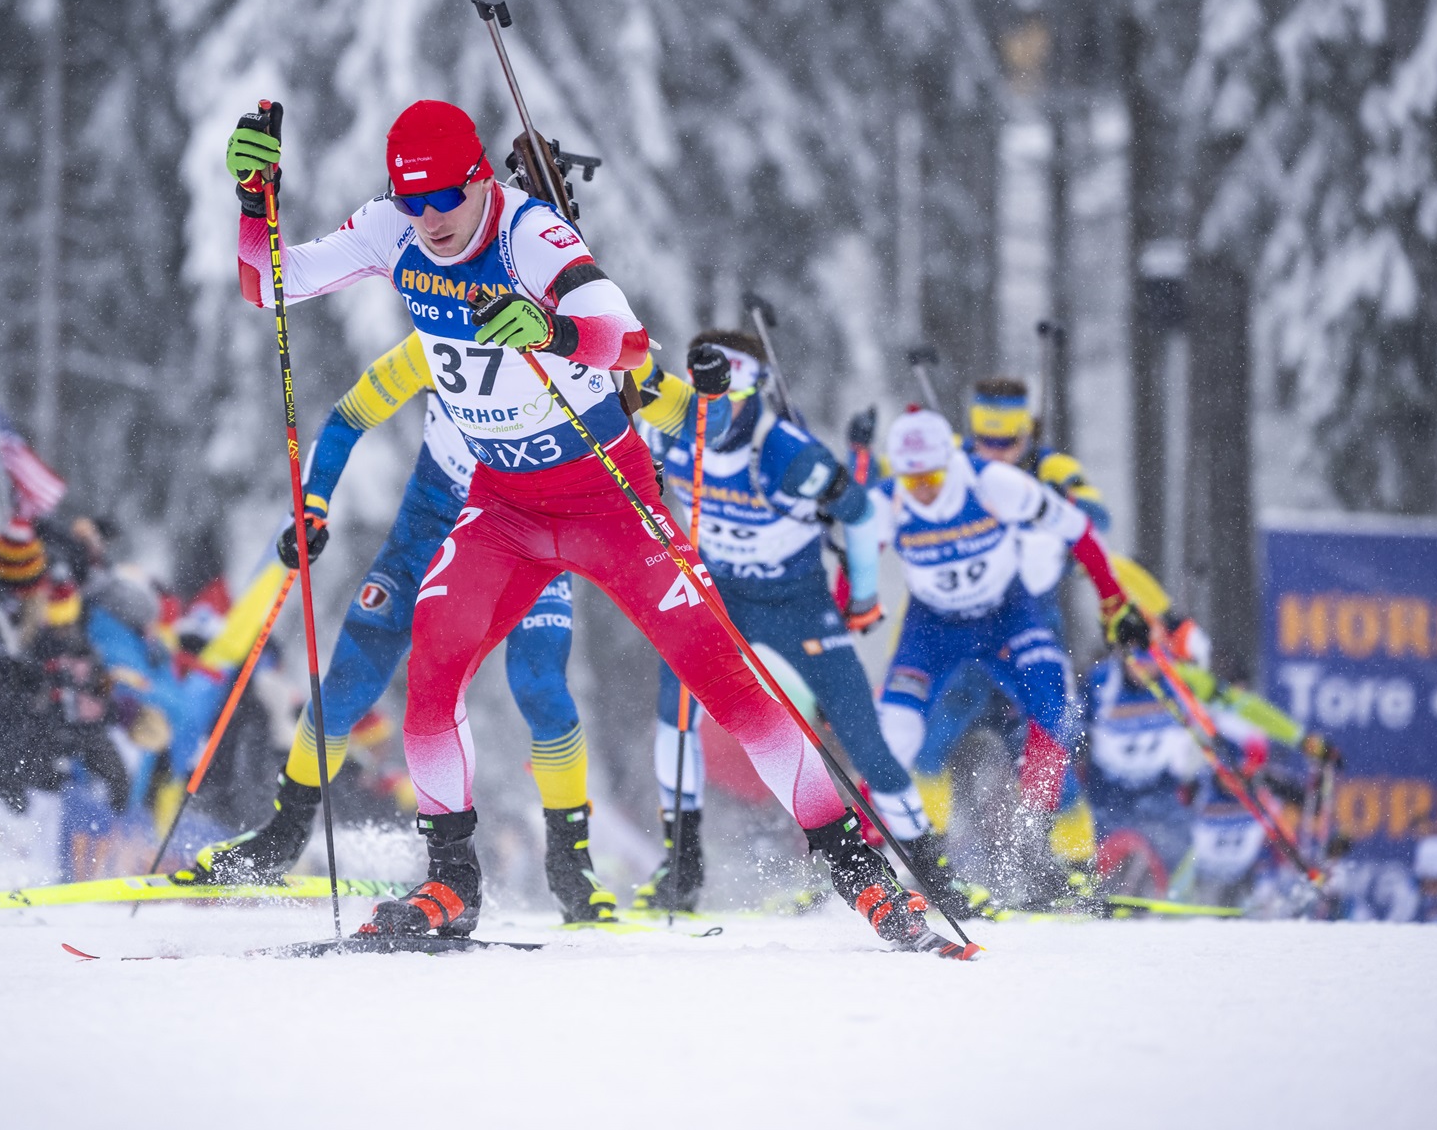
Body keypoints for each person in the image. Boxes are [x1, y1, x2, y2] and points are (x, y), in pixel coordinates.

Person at [227, 99, 956, 951]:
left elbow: (630, 344)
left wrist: (552, 326)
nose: (427, 221)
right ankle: (450, 884)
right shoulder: (390, 228)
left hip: (608, 500)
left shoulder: (530, 235)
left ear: (478, 181)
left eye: (443, 202)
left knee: (725, 679)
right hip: (503, 507)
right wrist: (254, 202)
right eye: (410, 202)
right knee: (433, 667)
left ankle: (861, 875)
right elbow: (266, 283)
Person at [178, 330, 723, 923]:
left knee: (540, 686)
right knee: (346, 684)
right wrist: (312, 506)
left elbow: (700, 427)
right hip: (431, 528)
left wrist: (708, 396)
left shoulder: (591, 342)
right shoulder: (443, 334)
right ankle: (280, 838)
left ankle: (571, 867)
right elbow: (347, 417)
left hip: (535, 537)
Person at [634, 329, 975, 919]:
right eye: (704, 401)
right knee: (677, 706)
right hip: (721, 594)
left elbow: (862, 514)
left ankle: (930, 869)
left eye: (730, 401)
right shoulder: (667, 430)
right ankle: (682, 865)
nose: (715, 417)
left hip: (797, 603)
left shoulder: (788, 453)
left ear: (755, 394)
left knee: (863, 738)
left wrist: (864, 596)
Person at [872, 407, 1146, 907]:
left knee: (1054, 717)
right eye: (910, 479)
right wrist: (855, 598)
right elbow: (853, 547)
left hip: (1005, 616)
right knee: (902, 737)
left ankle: (1068, 862)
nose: (923, 489)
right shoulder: (889, 499)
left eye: (931, 477)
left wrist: (1113, 601)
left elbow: (1083, 528)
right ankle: (911, 860)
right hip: (933, 626)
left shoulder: (994, 483)